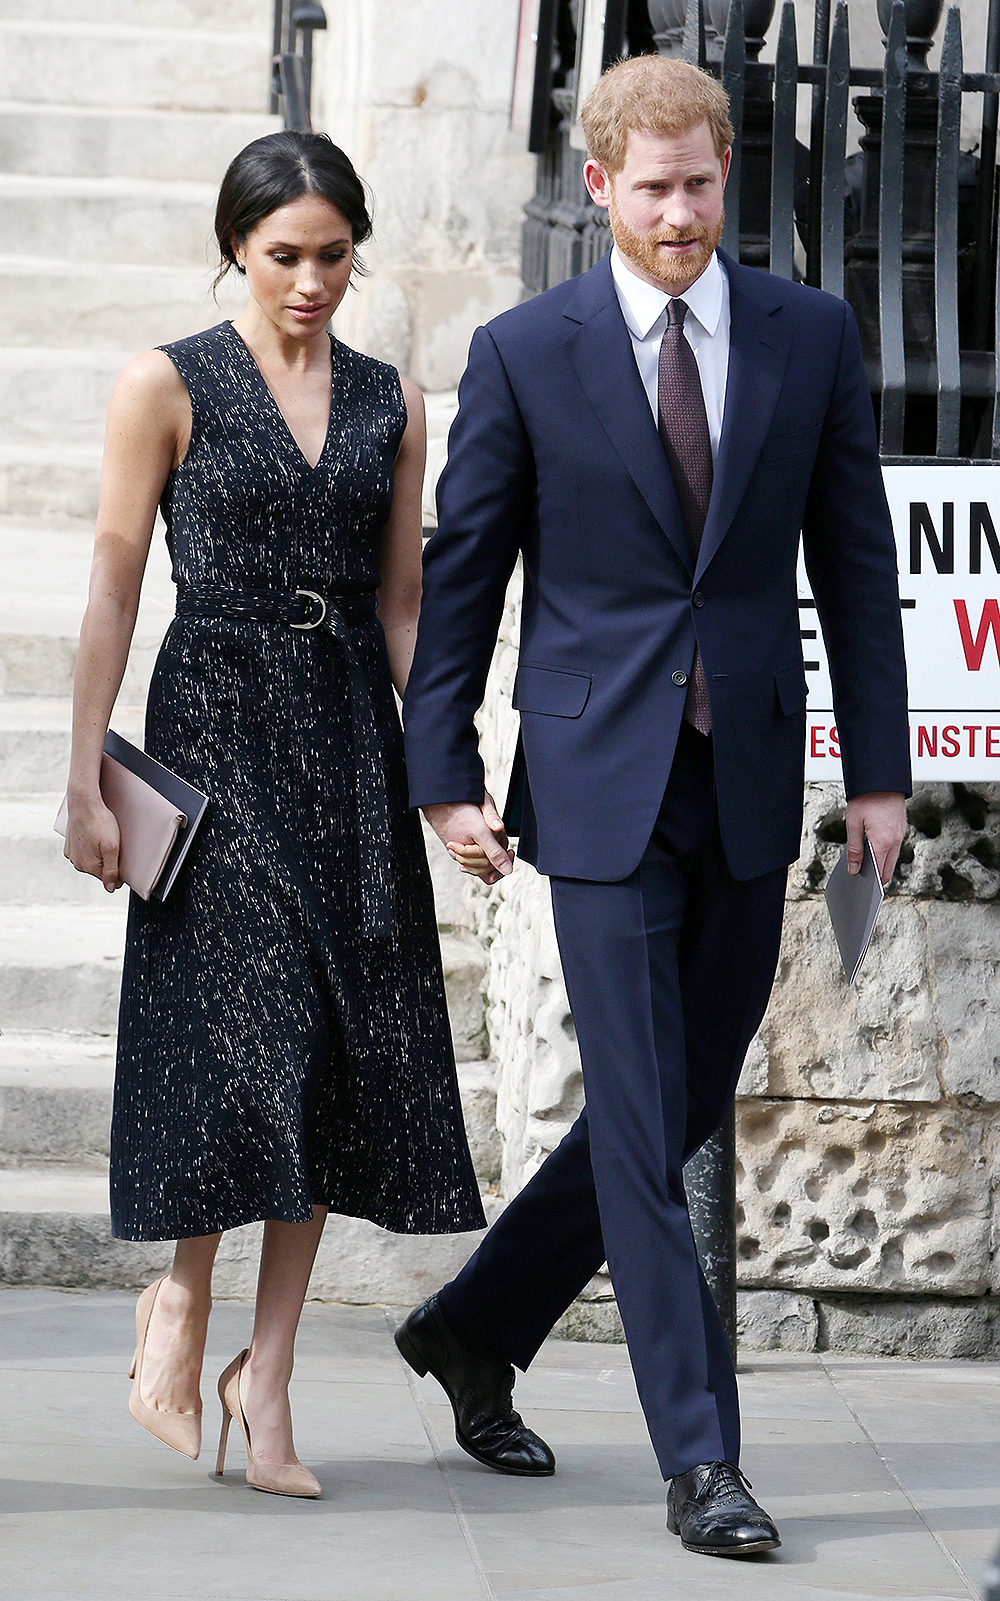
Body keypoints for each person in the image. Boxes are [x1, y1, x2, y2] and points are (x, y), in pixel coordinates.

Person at [395, 55, 910, 1555]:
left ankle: (476, 1326)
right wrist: (447, 774)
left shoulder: (810, 336)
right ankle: (703, 1456)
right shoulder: (524, 352)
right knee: (641, 1121)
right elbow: (464, 575)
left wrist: (874, 772)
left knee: (682, 1096)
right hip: (598, 779)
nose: (681, 215)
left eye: (703, 185)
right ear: (602, 187)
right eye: (653, 189)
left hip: (747, 773)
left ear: (724, 172)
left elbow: (858, 565)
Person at [63, 130, 484, 1499]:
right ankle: (182, 1303)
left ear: (357, 249)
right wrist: (84, 774)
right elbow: (117, 584)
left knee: (333, 1056)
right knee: (245, 1037)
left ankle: (272, 1375)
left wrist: (449, 772)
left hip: (352, 736)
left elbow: (408, 605)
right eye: (284, 253)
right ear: (238, 246)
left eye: (333, 255)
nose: (310, 280)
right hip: (217, 725)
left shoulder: (391, 401)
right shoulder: (166, 383)